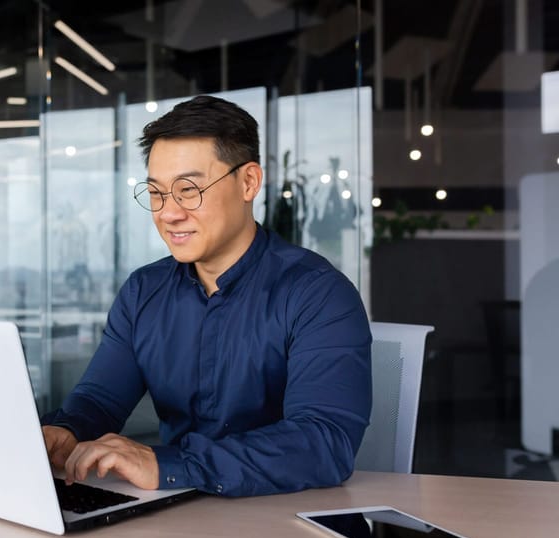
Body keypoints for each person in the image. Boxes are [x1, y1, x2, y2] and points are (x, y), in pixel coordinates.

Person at [41, 95, 372, 497]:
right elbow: (100, 399)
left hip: (282, 513)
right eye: (157, 193)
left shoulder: (317, 293)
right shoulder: (144, 292)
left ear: (248, 182)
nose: (168, 213)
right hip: (176, 508)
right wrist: (67, 430)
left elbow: (324, 443)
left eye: (188, 190)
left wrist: (168, 464)